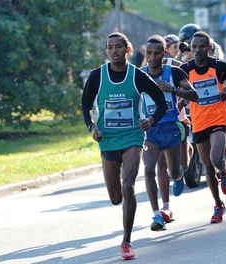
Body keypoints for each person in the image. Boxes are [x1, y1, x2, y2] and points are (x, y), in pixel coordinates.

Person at [80, 32, 168, 260]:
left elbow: (160, 102)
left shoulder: (137, 76)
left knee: (128, 185)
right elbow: (85, 106)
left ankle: (126, 242)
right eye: (110, 47)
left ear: (127, 50)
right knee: (116, 198)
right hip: (108, 139)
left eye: (119, 47)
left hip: (132, 138)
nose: (114, 51)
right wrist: (92, 127)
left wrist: (151, 121)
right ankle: (125, 232)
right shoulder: (97, 76)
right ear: (106, 51)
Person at [180, 31, 226, 223]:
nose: (198, 50)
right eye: (194, 47)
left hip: (217, 119)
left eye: (202, 46)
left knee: (216, 159)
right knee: (207, 166)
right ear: (190, 49)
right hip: (198, 123)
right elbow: (181, 88)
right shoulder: (185, 69)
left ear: (209, 48)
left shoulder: (219, 66)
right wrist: (181, 101)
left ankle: (224, 171)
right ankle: (218, 205)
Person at [141, 35, 198, 231]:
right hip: (151, 130)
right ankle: (157, 215)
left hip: (172, 128)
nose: (152, 57)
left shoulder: (173, 71)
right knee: (149, 168)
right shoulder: (140, 74)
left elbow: (194, 95)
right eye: (149, 53)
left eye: (157, 53)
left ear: (164, 53)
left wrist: (172, 90)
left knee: (174, 172)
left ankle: (181, 172)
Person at [179, 23, 226, 150]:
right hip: (194, 90)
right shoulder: (184, 50)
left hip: (220, 86)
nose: (195, 49)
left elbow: (216, 65)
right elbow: (180, 69)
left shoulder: (213, 47)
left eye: (200, 46)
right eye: (188, 44)